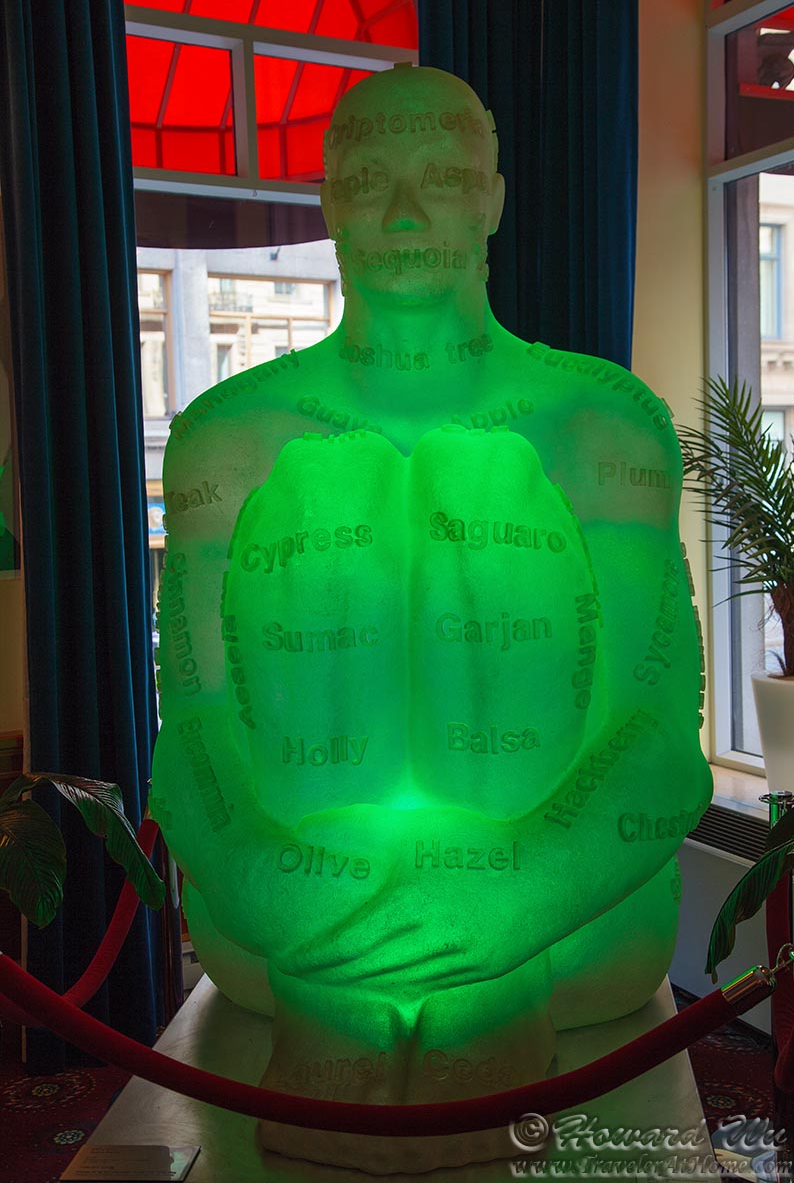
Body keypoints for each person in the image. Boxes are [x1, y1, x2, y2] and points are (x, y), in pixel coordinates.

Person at [150, 64, 711, 1124]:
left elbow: (655, 728)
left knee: (479, 484)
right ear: (328, 201)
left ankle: (456, 996)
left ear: (491, 199)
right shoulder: (228, 437)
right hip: (287, 920)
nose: (405, 214)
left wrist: (514, 885)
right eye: (370, 180)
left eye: (443, 178)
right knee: (327, 492)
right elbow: (195, 722)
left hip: (570, 929)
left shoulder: (601, 422)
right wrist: (269, 872)